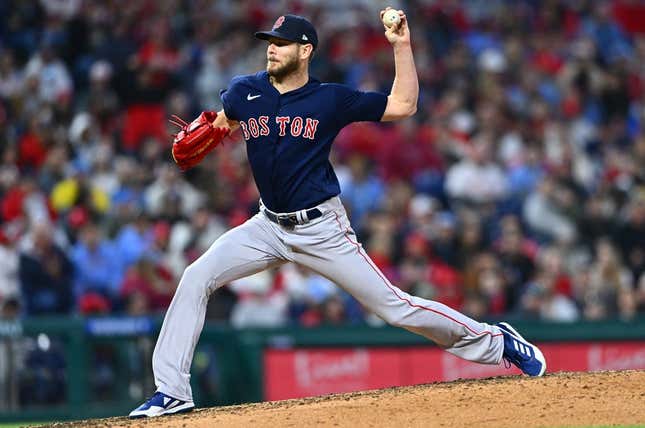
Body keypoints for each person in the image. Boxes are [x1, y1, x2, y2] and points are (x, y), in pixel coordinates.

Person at [130, 9, 546, 418]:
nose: (271, 51)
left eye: (281, 44)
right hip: (267, 225)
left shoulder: (329, 99)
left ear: (305, 50)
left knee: (394, 307)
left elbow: (403, 105)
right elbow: (221, 124)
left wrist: (401, 45)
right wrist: (207, 132)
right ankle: (171, 391)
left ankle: (498, 342)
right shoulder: (245, 91)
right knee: (196, 276)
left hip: (321, 229)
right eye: (269, 44)